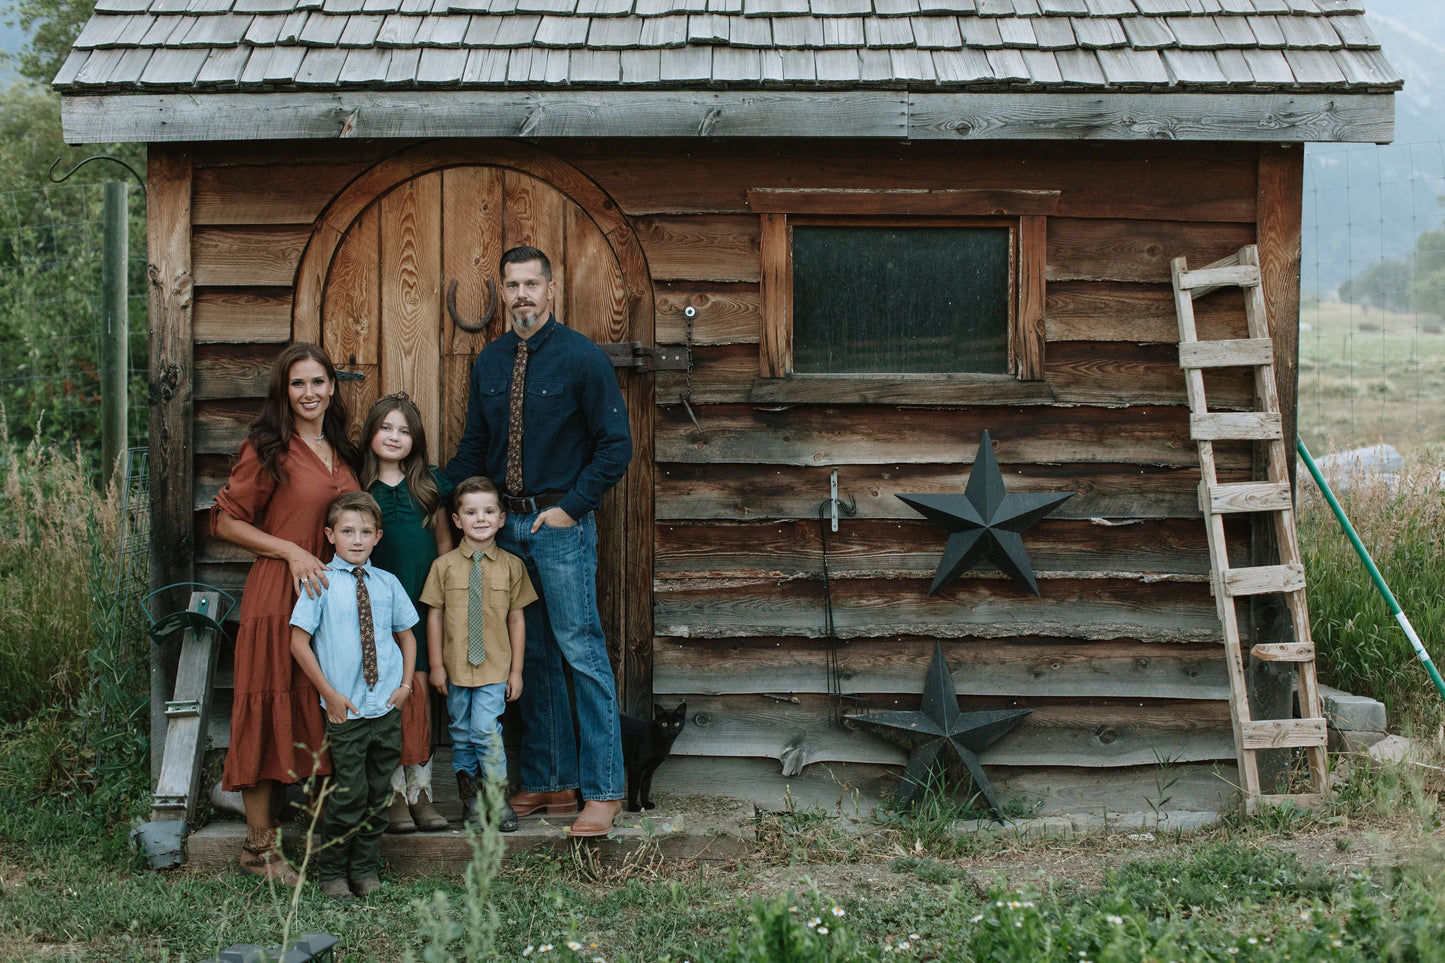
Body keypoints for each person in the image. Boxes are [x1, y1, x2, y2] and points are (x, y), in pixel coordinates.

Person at [445, 245, 633, 837]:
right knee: (536, 657)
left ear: (551, 290)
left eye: (532, 284)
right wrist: (419, 491)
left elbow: (615, 447)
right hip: (507, 529)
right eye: (512, 285)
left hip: (559, 528)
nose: (522, 295)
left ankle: (603, 790)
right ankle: (550, 781)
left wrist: (570, 510)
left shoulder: (582, 357)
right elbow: (474, 450)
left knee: (580, 648)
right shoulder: (490, 364)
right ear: (501, 293)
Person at [211, 342, 361, 881]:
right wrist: (291, 550)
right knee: (268, 706)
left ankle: (334, 842)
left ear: (332, 387)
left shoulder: (341, 447)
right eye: (298, 383)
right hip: (280, 594)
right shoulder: (268, 445)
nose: (309, 393)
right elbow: (225, 522)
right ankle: (258, 851)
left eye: (318, 382)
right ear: (284, 390)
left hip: (333, 599)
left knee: (320, 709)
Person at [289, 491, 419, 903]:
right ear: (330, 535)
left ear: (378, 536)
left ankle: (364, 869)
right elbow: (298, 643)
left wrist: (405, 687)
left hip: (385, 706)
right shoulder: (320, 583)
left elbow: (406, 635)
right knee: (349, 795)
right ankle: (332, 873)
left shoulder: (388, 583)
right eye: (347, 531)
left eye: (365, 532)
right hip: (345, 709)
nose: (357, 540)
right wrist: (329, 694)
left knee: (379, 795)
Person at [359, 393, 454, 833]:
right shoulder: (358, 487)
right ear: (371, 434)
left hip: (420, 606)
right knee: (384, 698)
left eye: (404, 430)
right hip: (375, 612)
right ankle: (391, 794)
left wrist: (446, 600)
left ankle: (421, 793)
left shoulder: (430, 486)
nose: (394, 437)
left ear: (415, 439)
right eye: (386, 428)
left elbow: (443, 550)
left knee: (418, 697)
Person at [420, 476, 537, 831]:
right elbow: (435, 614)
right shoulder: (443, 567)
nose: (481, 518)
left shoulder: (512, 567)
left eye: (489, 511)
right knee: (459, 731)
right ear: (457, 520)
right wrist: (436, 665)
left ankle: (498, 799)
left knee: (485, 729)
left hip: (495, 668)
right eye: (471, 512)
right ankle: (470, 801)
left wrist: (516, 671)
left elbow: (517, 619)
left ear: (502, 518)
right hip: (455, 669)